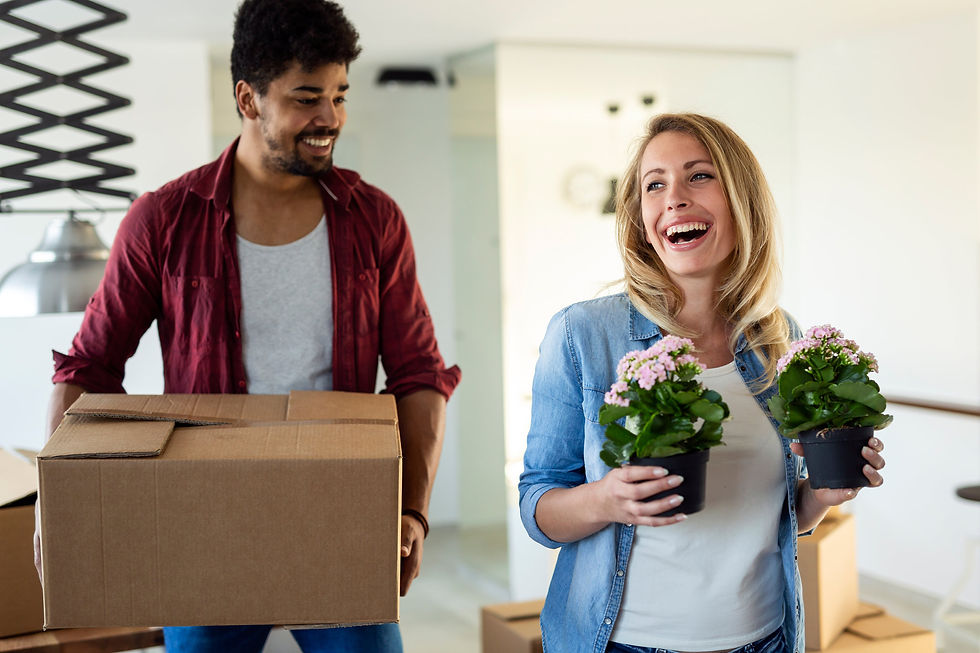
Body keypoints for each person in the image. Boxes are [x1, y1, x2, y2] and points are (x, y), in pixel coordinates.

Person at [37, 0, 460, 651]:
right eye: (306, 98)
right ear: (248, 97)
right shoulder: (163, 219)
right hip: (203, 519)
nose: (330, 119)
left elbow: (418, 374)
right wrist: (56, 497)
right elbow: (89, 368)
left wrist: (411, 509)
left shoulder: (376, 219)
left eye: (340, 96)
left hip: (342, 512)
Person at [518, 113, 886, 653]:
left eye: (699, 176)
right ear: (640, 217)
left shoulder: (779, 339)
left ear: (742, 201)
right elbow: (538, 504)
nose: (675, 198)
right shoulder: (582, 335)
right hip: (623, 644)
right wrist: (606, 500)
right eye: (655, 184)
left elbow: (774, 513)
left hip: (765, 639)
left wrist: (821, 497)